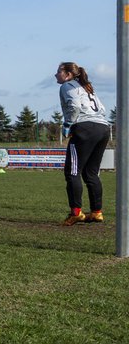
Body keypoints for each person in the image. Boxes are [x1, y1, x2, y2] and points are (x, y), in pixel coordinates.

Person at [55, 62, 111, 225]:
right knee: (91, 173)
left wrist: (67, 125)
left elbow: (74, 105)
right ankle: (96, 212)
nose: (56, 75)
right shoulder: (86, 87)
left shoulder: (67, 86)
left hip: (85, 128)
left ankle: (76, 213)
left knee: (72, 172)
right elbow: (103, 109)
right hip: (103, 128)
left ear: (68, 74)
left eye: (59, 72)